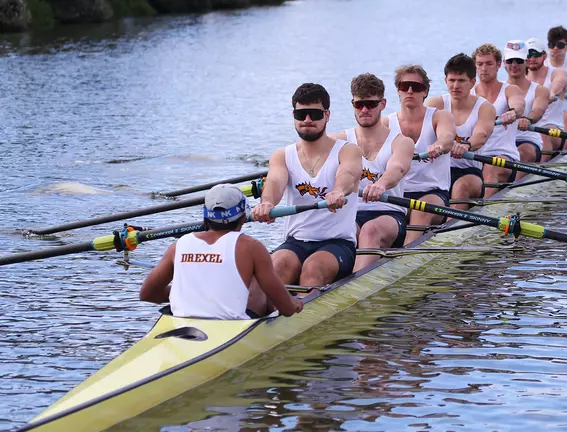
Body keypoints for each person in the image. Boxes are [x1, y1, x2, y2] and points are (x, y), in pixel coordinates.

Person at [253, 83, 362, 286]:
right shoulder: (282, 155)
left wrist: (338, 191)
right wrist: (267, 203)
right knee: (275, 267)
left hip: (337, 243)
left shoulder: (348, 151)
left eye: (314, 114)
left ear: (327, 115)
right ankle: (260, 314)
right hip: (296, 242)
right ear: (293, 115)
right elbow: (275, 181)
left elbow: (348, 174)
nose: (307, 120)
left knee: (313, 268)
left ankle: (296, 310)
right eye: (301, 114)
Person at [139, 184, 303, 319]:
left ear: (206, 217)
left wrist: (190, 294)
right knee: (256, 281)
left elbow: (147, 294)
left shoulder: (179, 244)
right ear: (243, 218)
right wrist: (295, 304)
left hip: (180, 326)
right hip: (230, 328)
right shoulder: (251, 247)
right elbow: (287, 309)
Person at [329, 73, 415, 271]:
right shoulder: (338, 141)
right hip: (351, 214)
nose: (364, 110)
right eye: (359, 105)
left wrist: (381, 184)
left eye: (370, 104)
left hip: (389, 213)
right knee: (340, 230)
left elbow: (397, 168)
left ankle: (354, 288)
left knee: (369, 231)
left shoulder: (402, 142)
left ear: (383, 103)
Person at [383, 65, 456, 245]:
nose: (409, 91)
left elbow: (447, 138)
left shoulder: (440, 117)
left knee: (420, 213)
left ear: (425, 91)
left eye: (415, 87)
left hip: (433, 193)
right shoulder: (385, 123)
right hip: (397, 194)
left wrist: (438, 145)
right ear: (397, 90)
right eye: (404, 86)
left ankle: (404, 258)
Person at [425, 53, 499, 210]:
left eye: (461, 81)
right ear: (445, 81)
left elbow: (481, 135)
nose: (455, 86)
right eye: (451, 80)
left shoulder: (485, 108)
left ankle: (451, 230)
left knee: (461, 187)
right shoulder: (435, 104)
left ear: (472, 82)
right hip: (438, 172)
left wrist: (466, 145)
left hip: (469, 171)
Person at [471, 43, 525, 197]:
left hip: (503, 156)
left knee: (490, 169)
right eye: (479, 64)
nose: (484, 68)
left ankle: (482, 212)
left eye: (489, 64)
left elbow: (519, 104)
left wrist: (513, 113)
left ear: (499, 65)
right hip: (473, 156)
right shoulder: (468, 94)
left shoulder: (510, 90)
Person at [503, 39, 551, 167]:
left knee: (521, 154)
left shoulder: (540, 90)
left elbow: (538, 110)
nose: (514, 65)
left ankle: (513, 186)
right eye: (510, 61)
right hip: (500, 143)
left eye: (518, 61)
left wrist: (528, 119)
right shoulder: (496, 89)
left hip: (527, 140)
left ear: (527, 62)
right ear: (503, 63)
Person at [526, 37, 567, 154]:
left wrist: (551, 92)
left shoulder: (557, 72)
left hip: (553, 129)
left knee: (542, 135)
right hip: (526, 128)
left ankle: (539, 169)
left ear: (544, 56)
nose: (532, 59)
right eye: (528, 55)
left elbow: (560, 81)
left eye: (536, 55)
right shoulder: (520, 80)